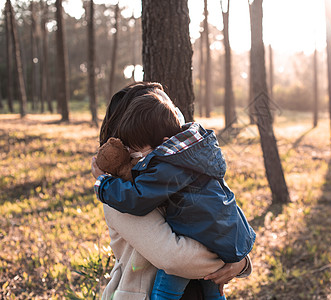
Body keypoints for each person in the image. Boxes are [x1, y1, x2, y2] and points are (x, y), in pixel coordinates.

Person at [92, 84, 256, 300]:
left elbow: (222, 212)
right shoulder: (119, 192)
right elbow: (175, 258)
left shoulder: (176, 168)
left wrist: (242, 261)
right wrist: (232, 258)